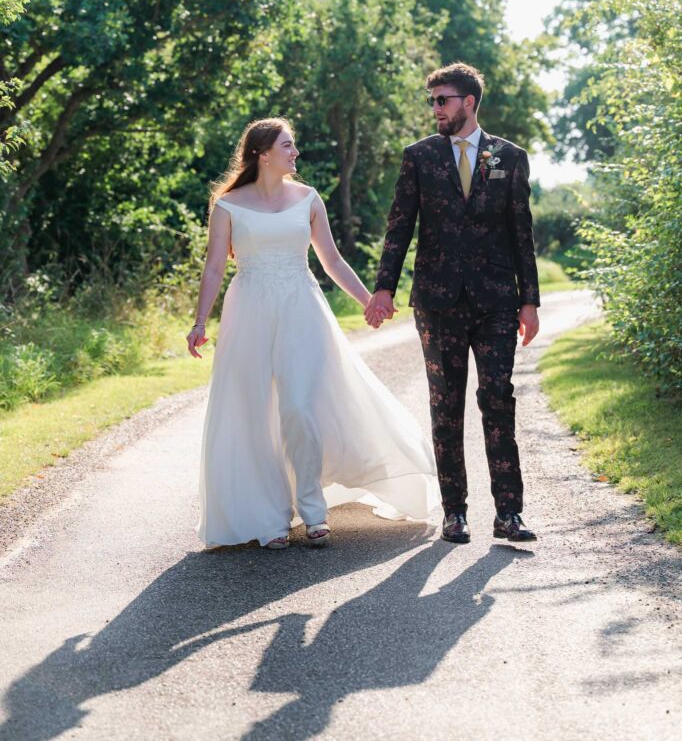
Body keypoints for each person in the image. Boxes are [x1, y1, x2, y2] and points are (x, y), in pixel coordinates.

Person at [187, 117, 438, 550]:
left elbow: (333, 261)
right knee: (253, 410)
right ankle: (268, 517)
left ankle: (313, 509)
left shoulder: (308, 199)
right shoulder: (228, 205)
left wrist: (369, 301)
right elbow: (214, 267)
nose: (295, 153)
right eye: (288, 146)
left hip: (301, 307)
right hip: (248, 308)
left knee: (300, 408)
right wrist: (198, 322)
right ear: (263, 153)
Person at [365, 63, 540, 544]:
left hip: (497, 301)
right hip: (437, 300)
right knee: (446, 407)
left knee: (498, 399)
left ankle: (509, 513)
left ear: (469, 102)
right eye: (433, 101)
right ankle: (455, 512)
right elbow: (400, 225)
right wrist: (384, 287)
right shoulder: (418, 157)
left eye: (443, 100)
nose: (436, 109)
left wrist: (530, 301)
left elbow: (521, 232)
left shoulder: (510, 157)